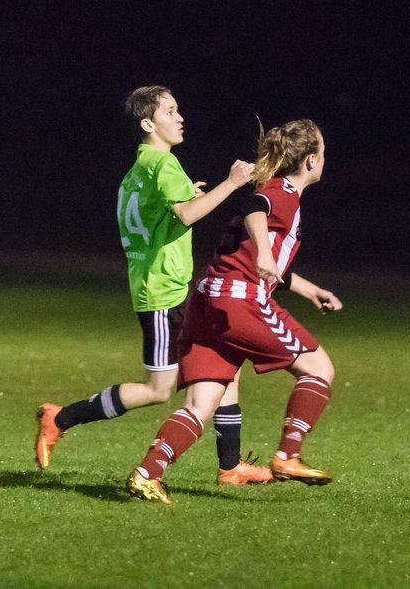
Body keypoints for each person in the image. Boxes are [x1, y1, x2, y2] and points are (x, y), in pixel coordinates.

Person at [35, 86, 272, 484]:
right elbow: (186, 215)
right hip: (163, 293)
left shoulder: (139, 168)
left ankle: (231, 467)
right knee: (158, 389)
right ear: (148, 123)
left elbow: (164, 213)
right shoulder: (163, 165)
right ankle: (61, 417)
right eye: (171, 111)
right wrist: (230, 183)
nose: (180, 118)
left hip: (171, 288)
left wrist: (190, 198)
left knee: (226, 366)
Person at [128, 118, 343, 504]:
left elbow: (259, 256)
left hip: (207, 300)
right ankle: (288, 455)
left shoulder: (279, 191)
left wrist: (309, 289)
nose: (325, 159)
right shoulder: (282, 191)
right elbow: (253, 205)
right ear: (310, 161)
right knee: (320, 368)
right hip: (238, 301)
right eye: (323, 153)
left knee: (201, 404)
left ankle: (147, 473)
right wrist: (263, 252)